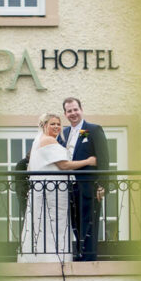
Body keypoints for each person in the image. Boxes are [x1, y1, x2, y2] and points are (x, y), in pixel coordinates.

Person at [18, 112, 95, 262]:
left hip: (57, 188)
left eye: (59, 124)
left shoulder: (56, 138)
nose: (56, 126)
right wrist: (89, 161)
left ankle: (46, 257)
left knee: (50, 222)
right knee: (53, 222)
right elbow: (64, 164)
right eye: (52, 124)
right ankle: (53, 258)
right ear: (44, 125)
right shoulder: (48, 140)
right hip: (52, 190)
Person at [60, 97, 109, 261]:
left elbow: (104, 159)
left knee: (89, 223)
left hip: (89, 186)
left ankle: (89, 259)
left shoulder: (92, 130)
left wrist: (103, 185)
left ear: (81, 110)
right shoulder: (65, 133)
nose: (73, 113)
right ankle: (80, 253)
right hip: (69, 187)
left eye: (75, 109)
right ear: (65, 114)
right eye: (69, 111)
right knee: (75, 222)